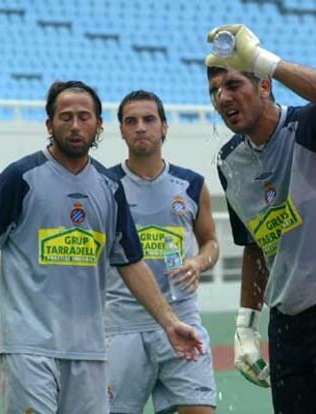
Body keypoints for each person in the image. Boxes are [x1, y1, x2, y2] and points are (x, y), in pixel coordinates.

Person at [0, 81, 204, 414]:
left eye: (84, 117)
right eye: (66, 117)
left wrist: (170, 323)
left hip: (91, 352)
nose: (76, 125)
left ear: (99, 125)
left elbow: (130, 262)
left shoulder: (109, 188)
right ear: (49, 124)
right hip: (29, 347)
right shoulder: (21, 178)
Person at [205, 24, 316, 413]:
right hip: (286, 322)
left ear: (265, 87)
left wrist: (260, 60)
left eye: (234, 84)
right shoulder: (229, 161)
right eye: (215, 91)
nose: (223, 97)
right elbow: (253, 245)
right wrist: (245, 325)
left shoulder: (308, 127)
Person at [104, 90, 219, 414]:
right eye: (131, 121)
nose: (141, 127)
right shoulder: (104, 185)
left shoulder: (192, 184)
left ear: (165, 127)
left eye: (149, 119)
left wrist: (199, 262)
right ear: (122, 130)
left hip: (183, 316)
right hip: (123, 326)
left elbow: (210, 241)